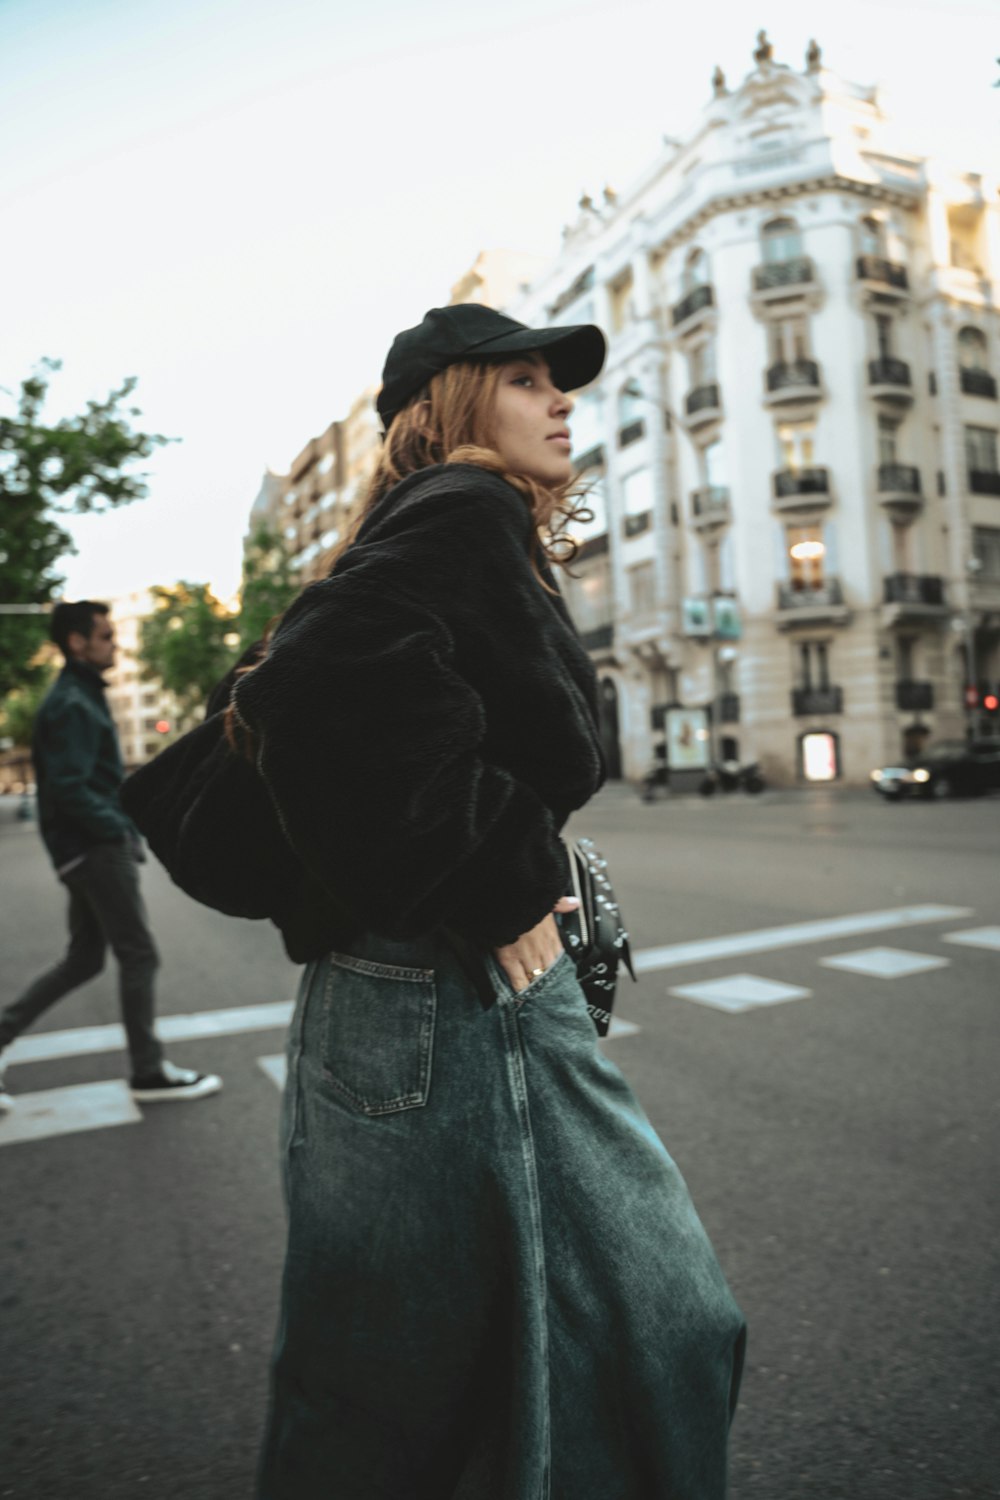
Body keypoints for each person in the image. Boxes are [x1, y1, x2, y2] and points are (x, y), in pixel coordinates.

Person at [128, 304, 746, 1498]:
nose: (562, 400)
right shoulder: (464, 507)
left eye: (557, 383)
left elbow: (320, 688)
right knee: (652, 1330)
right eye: (525, 379)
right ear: (455, 407)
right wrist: (496, 878)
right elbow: (316, 684)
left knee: (395, 1382)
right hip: (453, 992)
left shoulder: (435, 526)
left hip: (394, 993)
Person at [0, 601, 221, 1113]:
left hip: (83, 848)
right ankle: (147, 1070)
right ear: (77, 642)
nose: (114, 643)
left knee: (84, 958)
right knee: (138, 954)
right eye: (105, 635)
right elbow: (72, 790)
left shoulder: (79, 696)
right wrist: (119, 831)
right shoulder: (74, 702)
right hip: (94, 849)